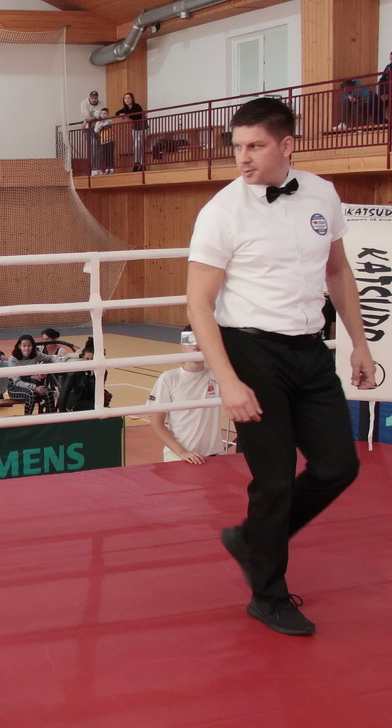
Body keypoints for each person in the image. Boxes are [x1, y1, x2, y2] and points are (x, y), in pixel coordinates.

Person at [186, 97, 376, 636]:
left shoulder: (322, 193)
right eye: (237, 146)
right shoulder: (222, 211)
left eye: (255, 146)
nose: (242, 158)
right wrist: (228, 381)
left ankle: (254, 539)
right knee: (273, 479)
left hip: (310, 349)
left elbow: (337, 272)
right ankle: (267, 595)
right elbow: (199, 303)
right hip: (250, 352)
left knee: (338, 466)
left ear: (287, 145)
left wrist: (360, 344)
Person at [147, 326, 223, 463]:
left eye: (201, 341)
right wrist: (182, 453)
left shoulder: (218, 375)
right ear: (182, 346)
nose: (196, 346)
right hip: (178, 457)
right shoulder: (168, 378)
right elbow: (156, 422)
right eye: (191, 341)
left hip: (212, 456)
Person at [6, 334, 64, 415]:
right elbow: (16, 382)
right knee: (31, 394)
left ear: (33, 346)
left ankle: (51, 418)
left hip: (32, 384)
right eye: (24, 346)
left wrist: (61, 365)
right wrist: (35, 387)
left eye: (29, 346)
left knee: (49, 392)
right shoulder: (13, 359)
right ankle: (28, 419)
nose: (27, 348)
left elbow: (50, 358)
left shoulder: (36, 355)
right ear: (19, 346)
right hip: (15, 387)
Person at [115, 91, 146, 172]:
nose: (127, 99)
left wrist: (126, 115)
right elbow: (117, 113)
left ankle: (142, 164)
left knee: (140, 146)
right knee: (136, 146)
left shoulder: (137, 106)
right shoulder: (126, 109)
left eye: (129, 98)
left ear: (132, 99)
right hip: (135, 129)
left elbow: (136, 115)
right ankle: (137, 163)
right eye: (125, 98)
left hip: (143, 128)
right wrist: (121, 114)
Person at [79, 90, 102, 174]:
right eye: (92, 98)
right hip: (88, 129)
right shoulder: (84, 103)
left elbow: (97, 115)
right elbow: (87, 116)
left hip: (97, 127)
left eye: (95, 98)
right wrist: (88, 120)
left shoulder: (100, 103)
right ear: (89, 97)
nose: (94, 99)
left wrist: (86, 121)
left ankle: (98, 168)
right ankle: (94, 169)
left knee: (98, 148)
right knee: (92, 147)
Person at [93, 107, 115, 175]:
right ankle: (107, 169)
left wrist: (101, 125)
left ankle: (111, 169)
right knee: (105, 155)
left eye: (105, 113)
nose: (103, 115)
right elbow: (96, 130)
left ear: (108, 114)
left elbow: (106, 123)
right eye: (102, 113)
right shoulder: (98, 122)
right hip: (103, 141)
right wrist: (100, 125)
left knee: (110, 155)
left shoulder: (109, 120)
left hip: (110, 140)